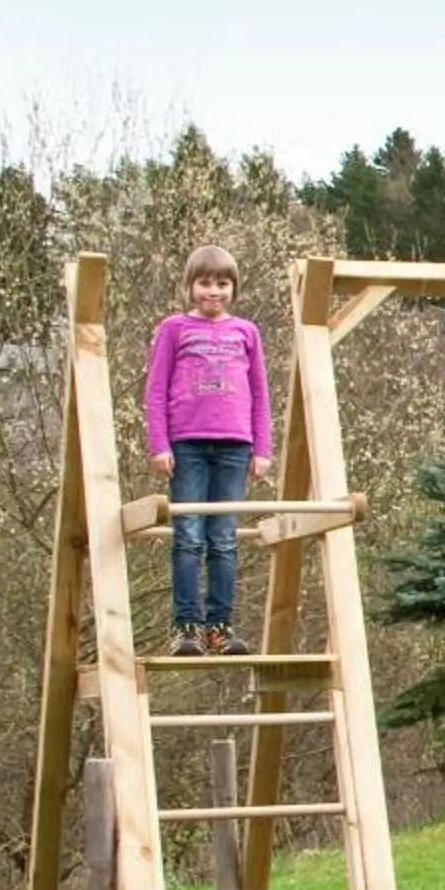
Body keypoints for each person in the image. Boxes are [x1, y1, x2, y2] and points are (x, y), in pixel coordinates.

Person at [145, 244, 273, 657]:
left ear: (233, 288)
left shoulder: (246, 332)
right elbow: (156, 390)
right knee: (188, 536)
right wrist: (159, 444)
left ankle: (220, 626)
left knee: (224, 539)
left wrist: (263, 449)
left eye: (222, 284)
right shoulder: (174, 329)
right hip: (188, 444)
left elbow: (260, 394)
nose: (213, 291)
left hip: (235, 445)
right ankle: (187, 628)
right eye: (205, 283)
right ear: (190, 286)